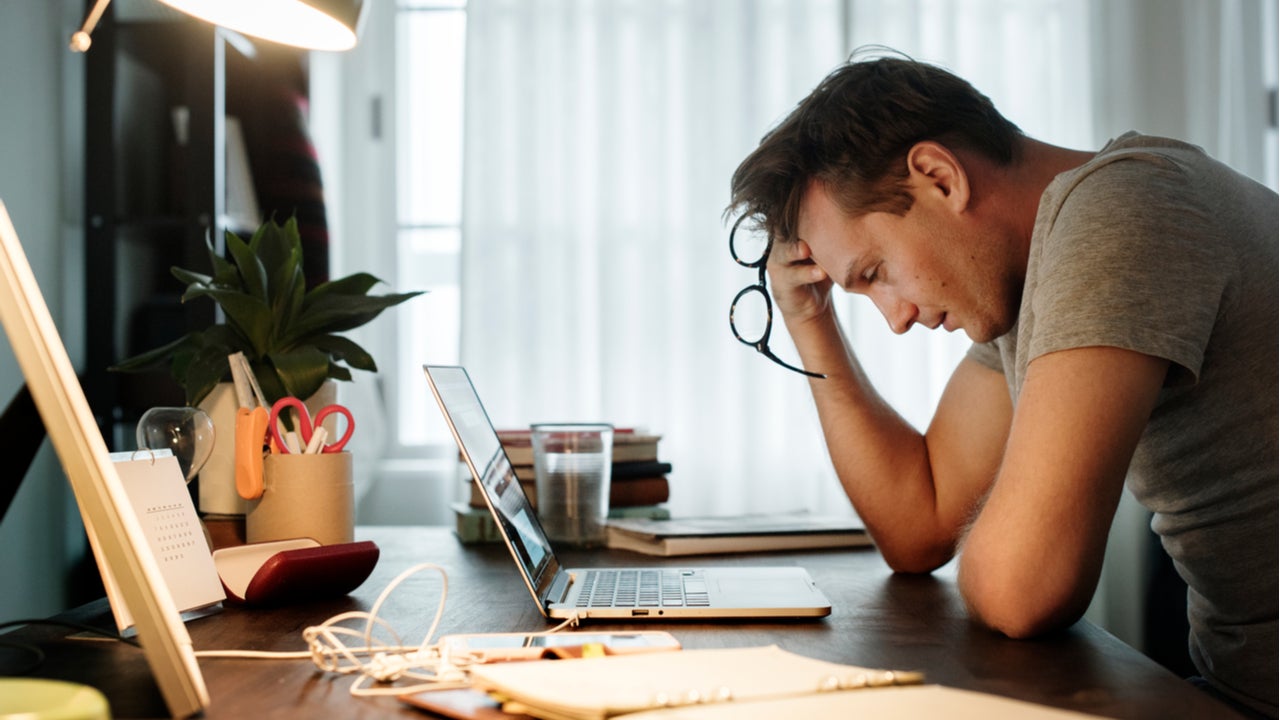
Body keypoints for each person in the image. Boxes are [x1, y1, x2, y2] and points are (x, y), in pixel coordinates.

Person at [727, 52, 1277, 718]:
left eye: (876, 272)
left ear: (938, 176)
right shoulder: (1030, 278)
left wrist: (1011, 535)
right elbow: (921, 526)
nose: (897, 318)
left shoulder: (1123, 212)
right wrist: (808, 318)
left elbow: (1024, 588)